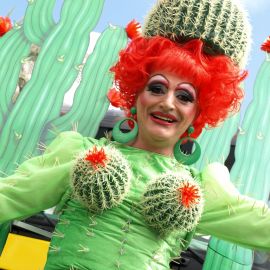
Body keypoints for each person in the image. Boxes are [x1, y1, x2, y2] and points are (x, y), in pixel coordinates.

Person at [0, 0, 269, 269]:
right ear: (136, 95)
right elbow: (11, 196)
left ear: (198, 112)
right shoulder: (79, 153)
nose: (168, 102)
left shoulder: (200, 190)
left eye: (185, 96)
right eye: (157, 88)